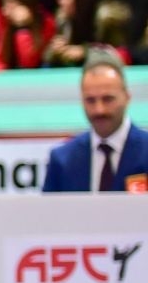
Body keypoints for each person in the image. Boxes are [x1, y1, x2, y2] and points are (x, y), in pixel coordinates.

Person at [43, 59, 148, 190]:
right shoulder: (62, 160)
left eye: (108, 99)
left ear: (127, 98)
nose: (99, 110)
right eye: (90, 100)